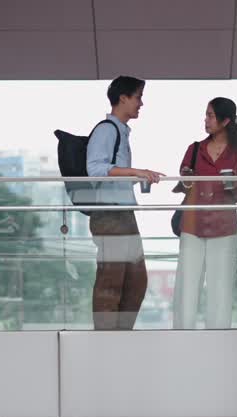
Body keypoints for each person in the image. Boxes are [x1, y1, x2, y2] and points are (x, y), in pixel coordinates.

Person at [86, 76, 164, 330]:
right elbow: (95, 170)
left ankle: (119, 334)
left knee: (136, 280)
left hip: (123, 213)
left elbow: (110, 172)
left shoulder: (120, 131)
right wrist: (136, 171)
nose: (141, 103)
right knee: (111, 279)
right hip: (110, 215)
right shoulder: (106, 130)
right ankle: (106, 339)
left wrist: (136, 177)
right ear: (123, 98)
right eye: (138, 97)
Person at [173, 97, 237, 329]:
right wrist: (186, 179)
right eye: (206, 115)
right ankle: (182, 336)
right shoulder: (194, 149)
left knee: (220, 288)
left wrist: (232, 184)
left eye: (211, 116)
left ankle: (219, 337)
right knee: (186, 286)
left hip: (223, 227)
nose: (206, 120)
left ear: (225, 121)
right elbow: (183, 186)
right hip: (192, 224)